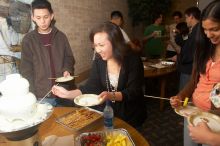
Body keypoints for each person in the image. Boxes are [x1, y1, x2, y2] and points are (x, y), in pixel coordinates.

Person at [52, 22, 147, 128]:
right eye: (95, 45)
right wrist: (67, 94)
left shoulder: (132, 59)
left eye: (101, 45)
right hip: (111, 114)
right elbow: (91, 87)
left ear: (115, 42)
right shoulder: (99, 61)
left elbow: (134, 91)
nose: (97, 50)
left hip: (131, 115)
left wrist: (111, 95)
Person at [170, 1, 220, 145]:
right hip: (193, 112)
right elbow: (193, 81)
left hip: (214, 120)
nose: (209, 35)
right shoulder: (204, 47)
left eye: (214, 29)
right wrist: (181, 95)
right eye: (205, 29)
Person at [20, 0, 75, 106]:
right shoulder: (28, 40)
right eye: (38, 18)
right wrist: (32, 94)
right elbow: (26, 70)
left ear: (51, 16)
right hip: (41, 95)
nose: (42, 22)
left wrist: (67, 69)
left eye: (45, 17)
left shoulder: (61, 36)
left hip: (63, 91)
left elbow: (69, 57)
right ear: (33, 18)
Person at [178, 6, 200, 91]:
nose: (186, 20)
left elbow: (191, 52)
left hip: (189, 69)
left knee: (184, 97)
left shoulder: (197, 31)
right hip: (190, 68)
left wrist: (181, 58)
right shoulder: (195, 30)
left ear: (191, 16)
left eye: (186, 17)